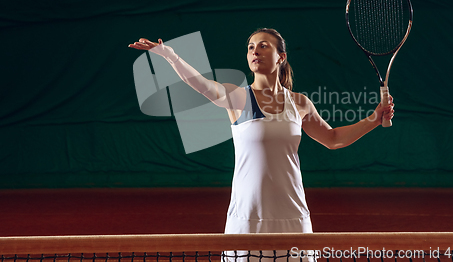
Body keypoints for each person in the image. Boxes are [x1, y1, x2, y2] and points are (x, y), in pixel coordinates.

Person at [129, 28, 394, 258]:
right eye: (251, 47)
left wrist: (374, 118)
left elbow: (333, 139)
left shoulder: (299, 102)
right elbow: (201, 85)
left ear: (282, 57)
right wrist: (170, 56)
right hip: (247, 218)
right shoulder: (237, 98)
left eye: (264, 45)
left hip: (293, 215)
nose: (255, 51)